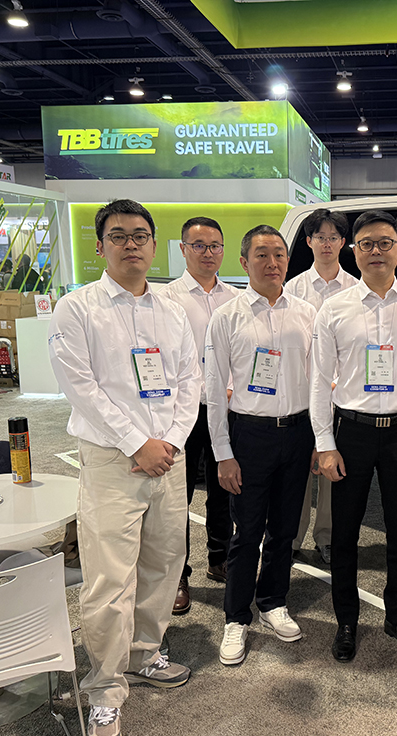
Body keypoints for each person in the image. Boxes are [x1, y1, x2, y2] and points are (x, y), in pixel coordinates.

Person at [48, 199, 201, 736]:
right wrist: (138, 444)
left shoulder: (171, 310)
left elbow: (190, 380)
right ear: (100, 246)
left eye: (140, 235)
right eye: (119, 235)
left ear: (154, 244)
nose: (131, 244)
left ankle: (144, 654)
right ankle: (105, 689)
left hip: (169, 458)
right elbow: (81, 389)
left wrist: (171, 443)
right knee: (109, 580)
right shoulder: (76, 308)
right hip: (114, 461)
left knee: (164, 564)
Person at [311, 209, 397, 662]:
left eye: (385, 242)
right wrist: (324, 444)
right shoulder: (334, 309)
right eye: (366, 243)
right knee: (345, 534)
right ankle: (346, 621)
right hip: (351, 432)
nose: (375, 251)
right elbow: (319, 381)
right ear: (354, 251)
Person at [205, 225, 318, 666]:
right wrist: (223, 454)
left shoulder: (307, 313)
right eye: (262, 255)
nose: (272, 263)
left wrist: (319, 438)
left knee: (285, 530)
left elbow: (317, 380)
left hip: (298, 431)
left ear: (288, 261)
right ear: (244, 262)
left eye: (279, 254)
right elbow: (215, 388)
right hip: (249, 435)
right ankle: (236, 617)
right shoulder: (227, 316)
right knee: (247, 531)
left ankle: (272, 601)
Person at [157, 217, 239, 615]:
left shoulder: (237, 298)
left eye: (215, 246)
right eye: (199, 245)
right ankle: (179, 573)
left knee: (225, 489)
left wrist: (233, 386)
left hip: (227, 408)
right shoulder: (165, 299)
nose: (209, 253)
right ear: (183, 249)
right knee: (179, 495)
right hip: (182, 413)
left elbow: (244, 352)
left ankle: (220, 558)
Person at [284, 207, 358, 565]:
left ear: (343, 243)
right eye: (320, 237)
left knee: (331, 470)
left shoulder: (356, 289)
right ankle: (291, 536)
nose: (326, 243)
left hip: (340, 394)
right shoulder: (292, 289)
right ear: (309, 241)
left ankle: (326, 536)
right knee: (297, 471)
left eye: (333, 237)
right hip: (302, 394)